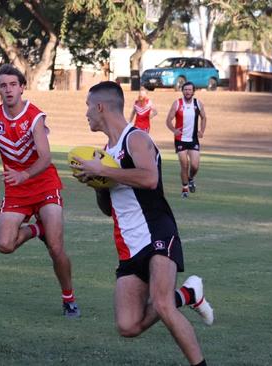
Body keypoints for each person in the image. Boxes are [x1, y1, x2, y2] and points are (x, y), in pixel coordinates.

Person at [74, 81, 213, 366]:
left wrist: (103, 170)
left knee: (162, 304)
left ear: (100, 107)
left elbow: (150, 179)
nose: (86, 113)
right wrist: (98, 184)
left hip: (157, 232)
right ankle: (187, 294)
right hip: (128, 244)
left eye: (88, 106)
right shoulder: (104, 152)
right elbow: (108, 209)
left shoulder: (134, 139)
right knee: (128, 326)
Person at [0, 64, 80, 318]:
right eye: (3, 85)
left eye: (13, 85)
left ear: (22, 87)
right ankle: (36, 229)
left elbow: (45, 157)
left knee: (55, 247)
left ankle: (69, 298)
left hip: (43, 184)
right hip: (15, 191)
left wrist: (25, 174)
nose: (8, 90)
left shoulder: (35, 117)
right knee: (4, 245)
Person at [165, 81, 207, 198]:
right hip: (180, 139)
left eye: (190, 90)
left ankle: (191, 178)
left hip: (193, 139)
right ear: (182, 91)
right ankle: (185, 188)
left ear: (193, 91)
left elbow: (204, 118)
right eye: (185, 90)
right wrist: (174, 130)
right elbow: (168, 120)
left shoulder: (198, 103)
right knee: (184, 165)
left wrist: (201, 131)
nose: (188, 92)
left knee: (195, 166)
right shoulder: (177, 104)